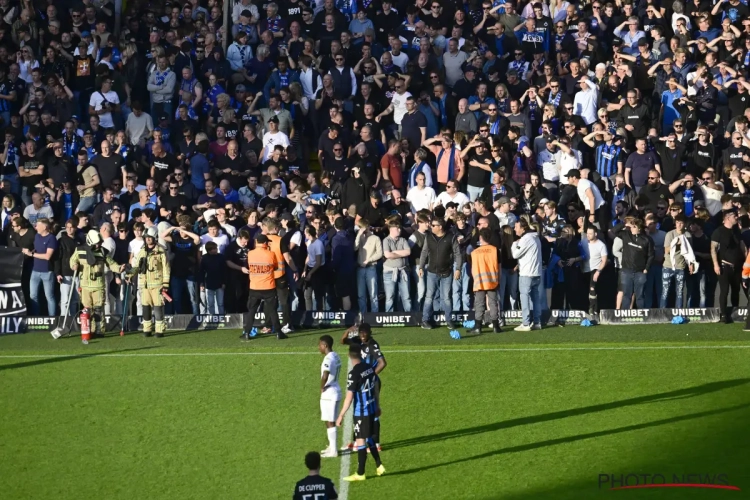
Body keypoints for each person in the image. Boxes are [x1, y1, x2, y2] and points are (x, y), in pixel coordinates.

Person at [335, 343, 386, 482]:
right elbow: (376, 385)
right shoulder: (369, 368)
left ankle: (360, 473)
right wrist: (377, 405)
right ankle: (379, 465)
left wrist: (340, 415)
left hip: (361, 412)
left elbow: (350, 397)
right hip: (371, 408)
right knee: (369, 438)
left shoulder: (354, 373)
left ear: (349, 356)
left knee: (361, 441)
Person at [69, 229, 124, 337]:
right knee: (87, 309)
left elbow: (111, 263)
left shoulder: (103, 252)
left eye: (100, 243)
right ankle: (89, 330)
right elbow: (72, 260)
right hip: (85, 285)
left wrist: (119, 268)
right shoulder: (79, 250)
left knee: (98, 309)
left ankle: (99, 330)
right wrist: (74, 265)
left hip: (98, 284)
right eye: (97, 243)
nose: (99, 245)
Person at [419, 218, 462, 330]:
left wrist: (458, 269)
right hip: (432, 272)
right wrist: (421, 266)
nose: (431, 227)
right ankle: (425, 320)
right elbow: (424, 252)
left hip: (446, 272)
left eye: (433, 225)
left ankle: (449, 320)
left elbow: (458, 254)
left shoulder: (451, 237)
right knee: (429, 297)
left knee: (446, 297)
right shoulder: (428, 237)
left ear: (440, 227)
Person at [130, 227, 171, 337]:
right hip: (144, 284)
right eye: (146, 237)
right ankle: (147, 329)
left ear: (155, 238)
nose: (148, 239)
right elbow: (136, 266)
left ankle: (159, 330)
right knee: (145, 307)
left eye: (150, 237)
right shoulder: (142, 251)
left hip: (157, 284)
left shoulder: (161, 251)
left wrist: (165, 284)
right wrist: (130, 275)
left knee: (158, 307)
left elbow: (166, 268)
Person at [241, 234, 284, 339]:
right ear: (265, 243)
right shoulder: (271, 254)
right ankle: (279, 333)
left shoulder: (250, 253)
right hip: (268, 286)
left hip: (255, 287)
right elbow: (275, 266)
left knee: (252, 311)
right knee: (272, 310)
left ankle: (247, 333)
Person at [468, 228, 501, 334]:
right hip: (492, 281)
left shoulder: (474, 252)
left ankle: (478, 326)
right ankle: (496, 326)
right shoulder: (495, 250)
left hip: (479, 281)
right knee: (493, 303)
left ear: (480, 238)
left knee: (479, 304)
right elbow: (498, 267)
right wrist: (498, 279)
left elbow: (472, 268)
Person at [512, 218, 543, 331]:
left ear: (523, 228)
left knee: (524, 297)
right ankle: (537, 322)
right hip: (536, 272)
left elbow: (515, 254)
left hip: (527, 272)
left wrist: (515, 244)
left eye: (516, 227)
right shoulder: (535, 237)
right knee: (535, 297)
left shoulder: (525, 239)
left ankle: (525, 323)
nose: (515, 229)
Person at [318, 334, 341, 458]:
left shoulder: (328, 359)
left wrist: (322, 387)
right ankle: (331, 447)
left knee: (330, 421)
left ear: (325, 345)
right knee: (328, 420)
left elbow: (325, 375)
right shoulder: (336, 355)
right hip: (336, 389)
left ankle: (333, 450)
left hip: (329, 392)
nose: (318, 347)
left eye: (319, 345)